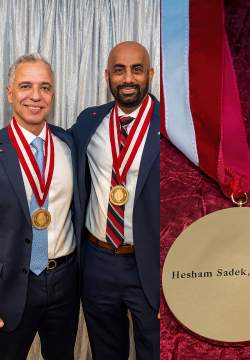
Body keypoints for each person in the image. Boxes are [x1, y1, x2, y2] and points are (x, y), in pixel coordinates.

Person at [70, 41, 159, 359]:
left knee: (155, 349)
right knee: (106, 351)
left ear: (150, 73)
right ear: (107, 75)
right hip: (98, 260)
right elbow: (52, 152)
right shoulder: (88, 122)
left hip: (150, 263)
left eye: (137, 69)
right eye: (119, 70)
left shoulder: (174, 127)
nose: (128, 78)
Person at [0, 54, 81, 359]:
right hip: (9, 287)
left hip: (64, 281)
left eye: (45, 87)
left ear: (53, 94)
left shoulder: (69, 144)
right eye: (25, 86)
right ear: (10, 93)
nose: (35, 96)